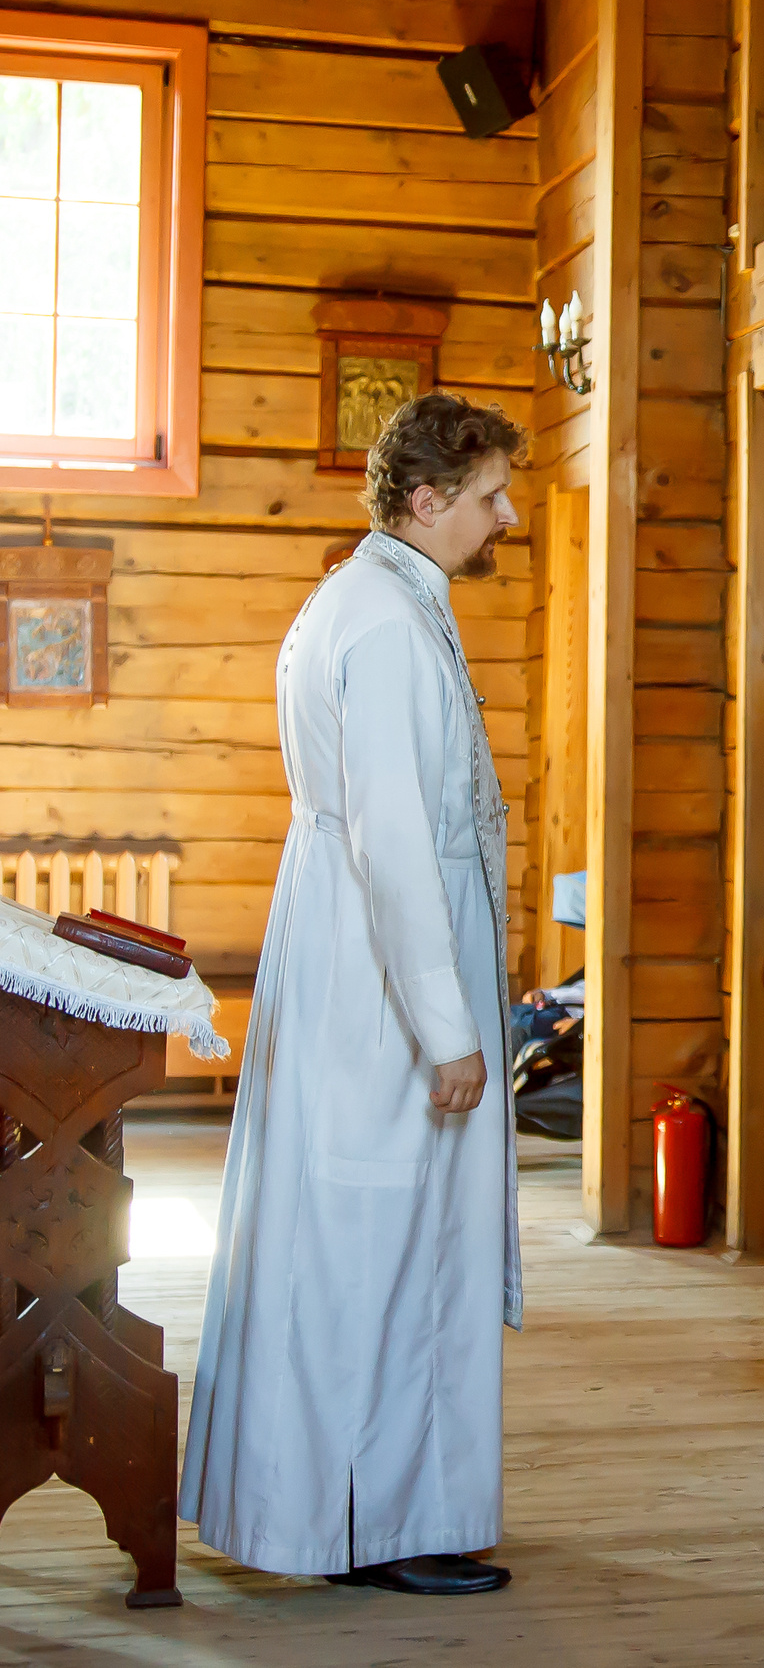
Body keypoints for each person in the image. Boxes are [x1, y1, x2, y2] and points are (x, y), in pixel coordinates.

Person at [182, 392, 524, 1595]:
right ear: (427, 503)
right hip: (378, 979)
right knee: (380, 1247)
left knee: (364, 1240)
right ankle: (372, 1525)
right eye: (488, 497)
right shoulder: (379, 622)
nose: (506, 516)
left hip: (351, 948)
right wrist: (449, 1030)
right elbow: (390, 836)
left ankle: (348, 1511)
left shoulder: (380, 600)